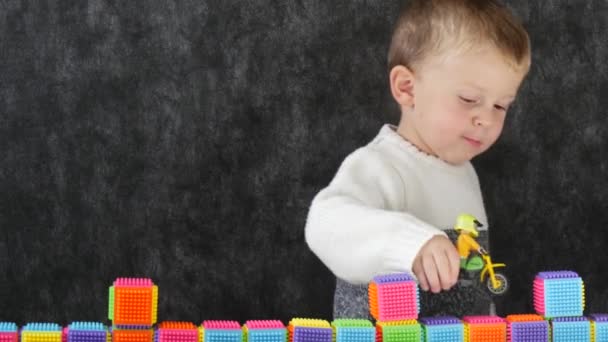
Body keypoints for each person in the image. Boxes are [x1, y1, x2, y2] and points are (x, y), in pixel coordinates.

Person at [304, 0, 531, 318]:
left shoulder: (464, 173)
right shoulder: (380, 166)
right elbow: (325, 223)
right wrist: (411, 243)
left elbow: (473, 288)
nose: (486, 120)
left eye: (501, 106)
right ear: (407, 88)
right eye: (469, 99)